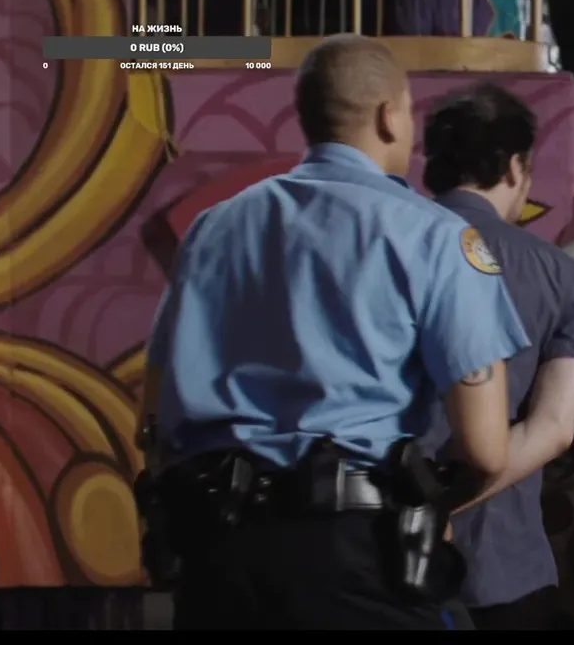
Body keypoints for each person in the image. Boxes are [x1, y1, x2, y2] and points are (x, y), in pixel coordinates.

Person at [138, 34, 531, 630]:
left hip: (218, 554)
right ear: (389, 117)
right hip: (356, 553)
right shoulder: (435, 237)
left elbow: (152, 418)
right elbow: (484, 449)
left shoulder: (213, 229)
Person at [421, 82, 574, 629]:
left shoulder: (387, 248)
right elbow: (554, 429)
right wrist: (439, 505)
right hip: (503, 569)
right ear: (516, 167)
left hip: (378, 566)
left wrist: (401, 509)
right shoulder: (561, 276)